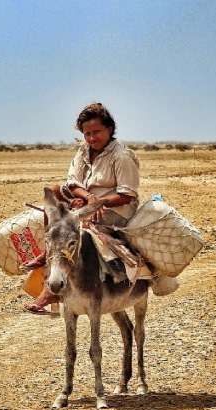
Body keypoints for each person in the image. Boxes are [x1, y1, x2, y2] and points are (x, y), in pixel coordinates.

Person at [24, 102, 140, 314]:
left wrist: (97, 203)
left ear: (110, 129)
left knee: (78, 235)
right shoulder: (83, 151)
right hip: (88, 203)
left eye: (97, 132)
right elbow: (72, 183)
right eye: (87, 134)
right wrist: (86, 198)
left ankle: (52, 290)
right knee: (53, 191)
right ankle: (47, 252)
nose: (92, 138)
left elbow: (127, 194)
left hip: (114, 210)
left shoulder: (122, 156)